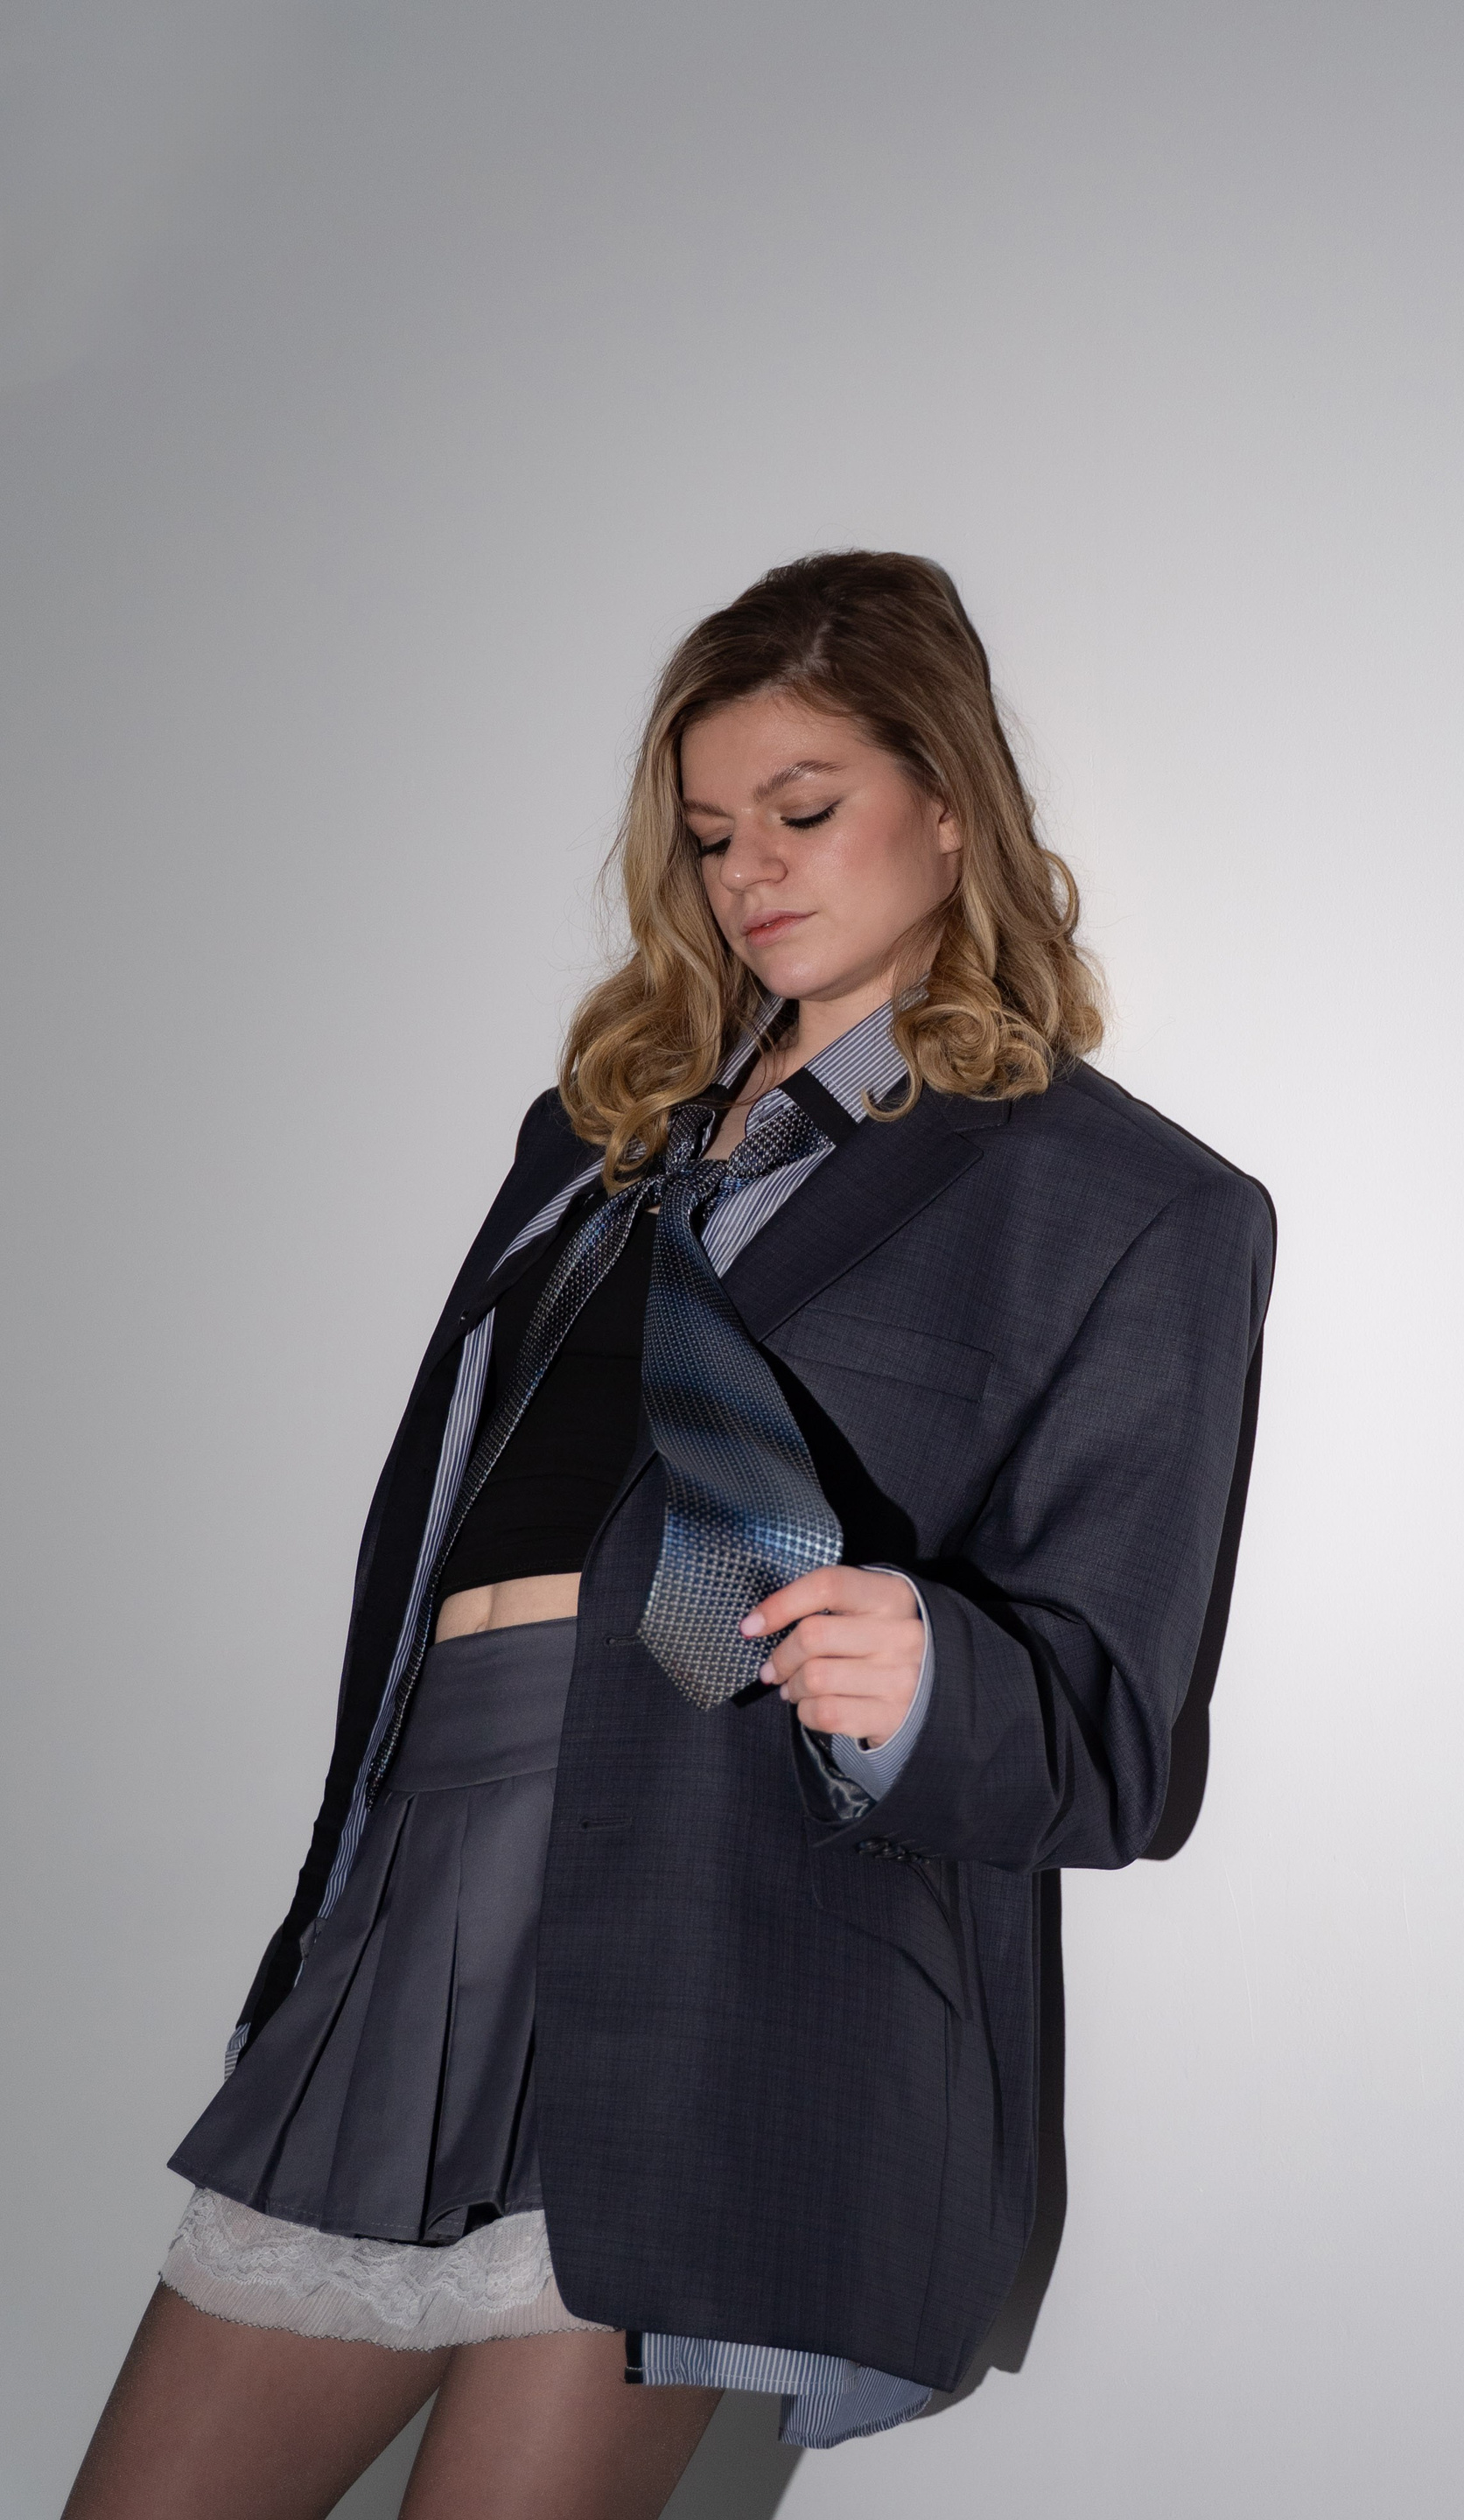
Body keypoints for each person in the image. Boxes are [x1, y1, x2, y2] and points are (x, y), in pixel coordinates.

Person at [65, 550, 1274, 2520]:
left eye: (804, 810)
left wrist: (931, 1676)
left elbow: (1114, 1744)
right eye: (712, 836)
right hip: (426, 1882)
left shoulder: (1121, 1204)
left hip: (718, 1944)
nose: (750, 873)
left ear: (948, 804)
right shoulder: (596, 1140)